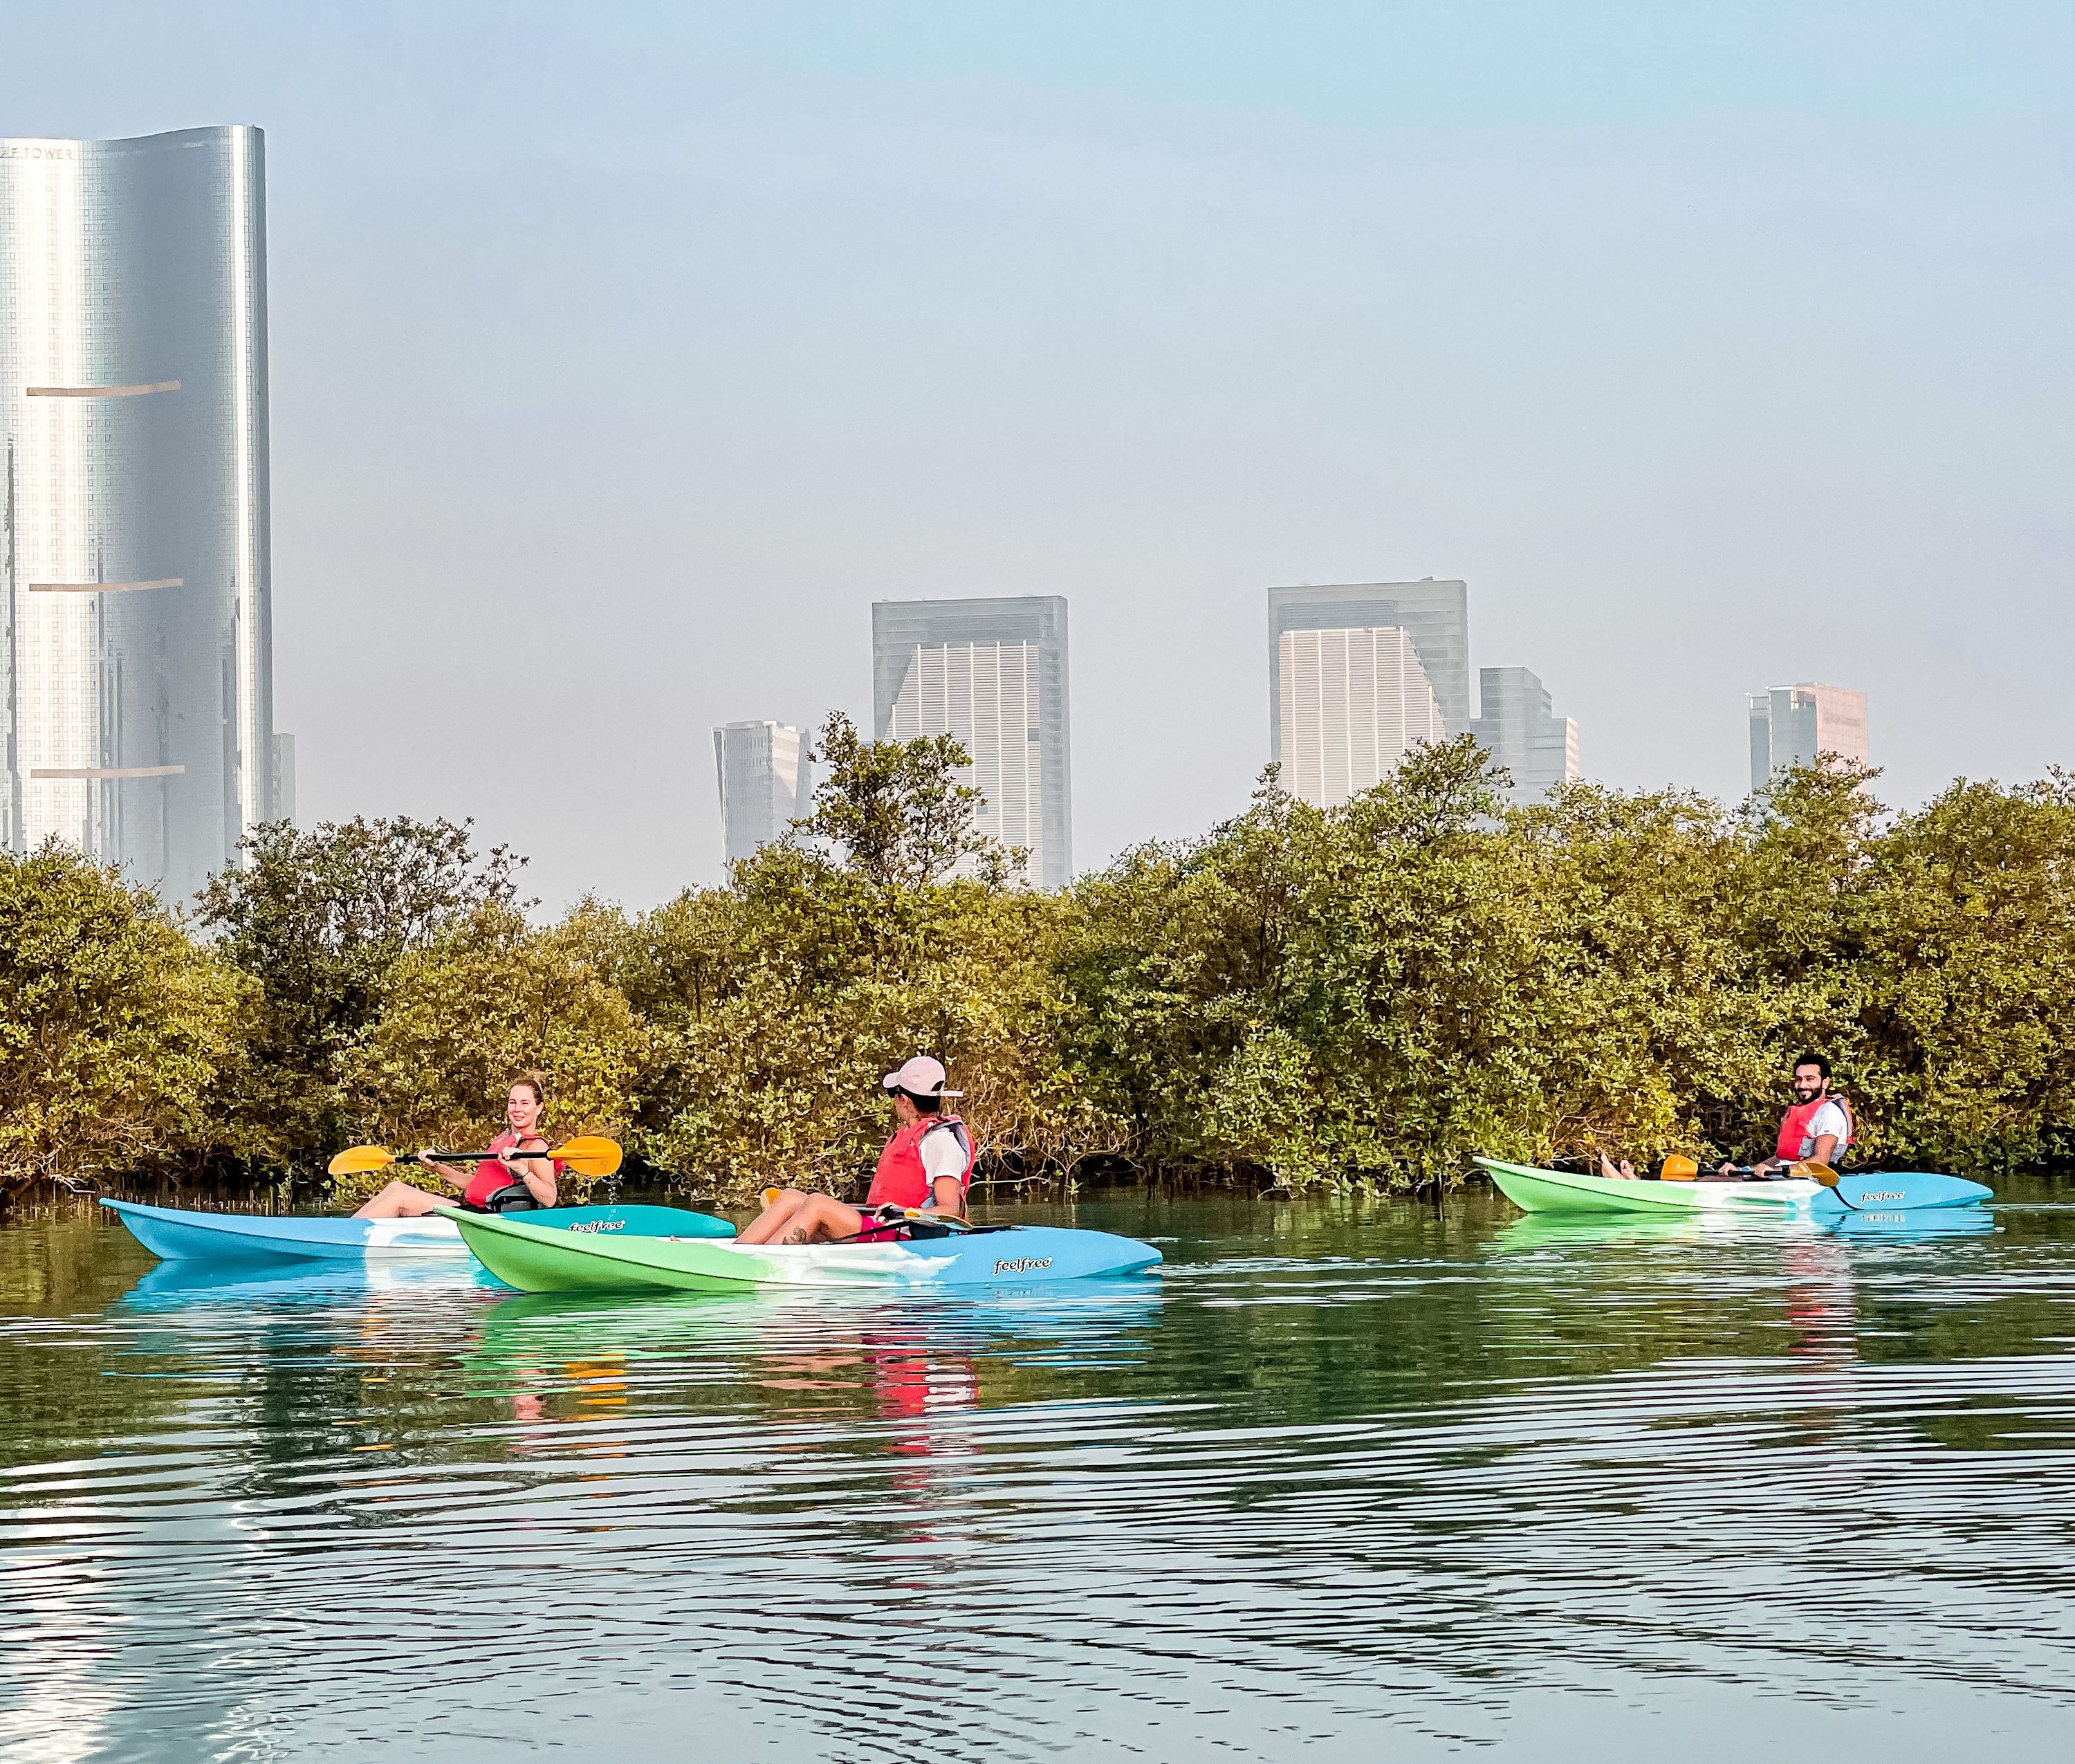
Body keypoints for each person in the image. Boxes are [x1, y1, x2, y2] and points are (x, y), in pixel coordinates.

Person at [738, 1056, 973, 1245]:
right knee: (791, 1198)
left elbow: (949, 1209)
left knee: (818, 1204)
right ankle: (740, 1252)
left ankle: (764, 1262)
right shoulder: (909, 1134)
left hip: (908, 1235)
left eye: (894, 1095)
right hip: (883, 1223)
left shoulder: (940, 1141)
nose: (894, 1101)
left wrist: (902, 1212)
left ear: (905, 1100)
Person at [353, 1076, 562, 1218]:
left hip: (489, 1221)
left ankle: (343, 1235)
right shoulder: (503, 1139)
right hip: (473, 1211)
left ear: (539, 1108)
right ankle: (342, 1229)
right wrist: (437, 1167)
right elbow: (475, 1184)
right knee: (396, 1187)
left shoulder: (536, 1146)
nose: (517, 1109)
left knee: (401, 1198)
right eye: (512, 1103)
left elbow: (549, 1198)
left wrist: (523, 1169)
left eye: (524, 1103)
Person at [1714, 1054, 1853, 1180]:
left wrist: (1778, 1171)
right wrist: (1743, 1170)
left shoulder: (1829, 1113)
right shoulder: (1796, 1111)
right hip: (1783, 1176)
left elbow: (1821, 1160)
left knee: (1717, 1183)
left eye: (1810, 1079)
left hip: (1807, 1181)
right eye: (1798, 1079)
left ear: (1825, 1082)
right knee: (1715, 1180)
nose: (1802, 1085)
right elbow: (1780, 1159)